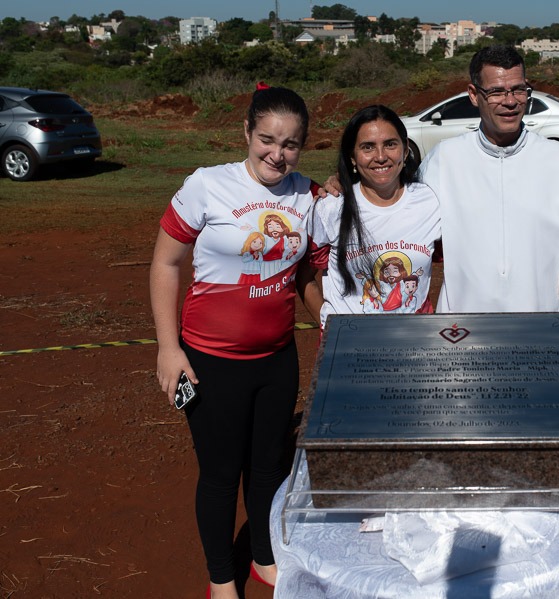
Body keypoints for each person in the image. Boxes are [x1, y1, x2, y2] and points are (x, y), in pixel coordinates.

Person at [149, 85, 323, 599]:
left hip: (276, 359)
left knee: (269, 465)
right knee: (221, 474)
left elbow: (306, 274)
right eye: (267, 139)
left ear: (302, 144)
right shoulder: (207, 185)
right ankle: (221, 577)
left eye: (290, 143)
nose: (277, 153)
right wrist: (168, 348)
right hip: (209, 361)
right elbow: (165, 263)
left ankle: (265, 559)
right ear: (247, 133)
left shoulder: (308, 195)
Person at [418, 45, 559, 313]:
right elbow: (399, 216)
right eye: (497, 92)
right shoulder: (443, 160)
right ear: (474, 95)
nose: (510, 102)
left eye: (519, 90)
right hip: (461, 332)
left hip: (537, 329)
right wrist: (340, 188)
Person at [311, 104, 440, 328]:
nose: (380, 157)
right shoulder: (331, 207)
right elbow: (303, 272)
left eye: (390, 144)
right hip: (351, 347)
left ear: (406, 148)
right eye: (368, 147)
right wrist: (328, 325)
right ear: (352, 156)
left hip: (414, 342)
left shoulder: (430, 201)